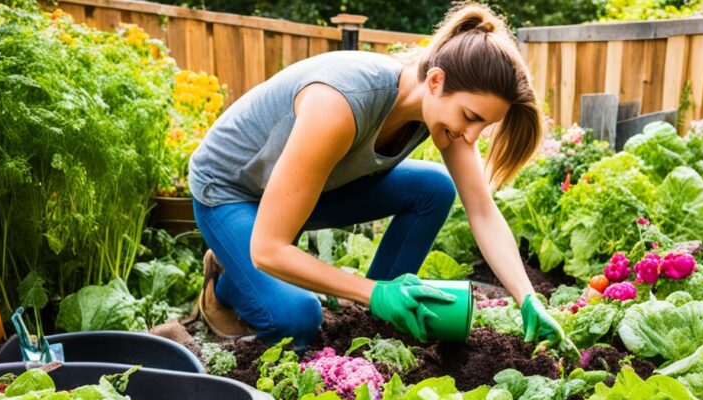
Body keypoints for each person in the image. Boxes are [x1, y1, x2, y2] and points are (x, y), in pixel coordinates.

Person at [190, 1, 569, 351]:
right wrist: (374, 292)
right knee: (297, 318)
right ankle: (224, 288)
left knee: (434, 187)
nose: (471, 136)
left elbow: (483, 213)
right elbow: (269, 248)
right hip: (231, 192)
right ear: (435, 81)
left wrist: (527, 297)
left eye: (482, 126)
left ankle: (371, 326)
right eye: (471, 117)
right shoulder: (339, 105)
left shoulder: (441, 115)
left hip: (305, 187)